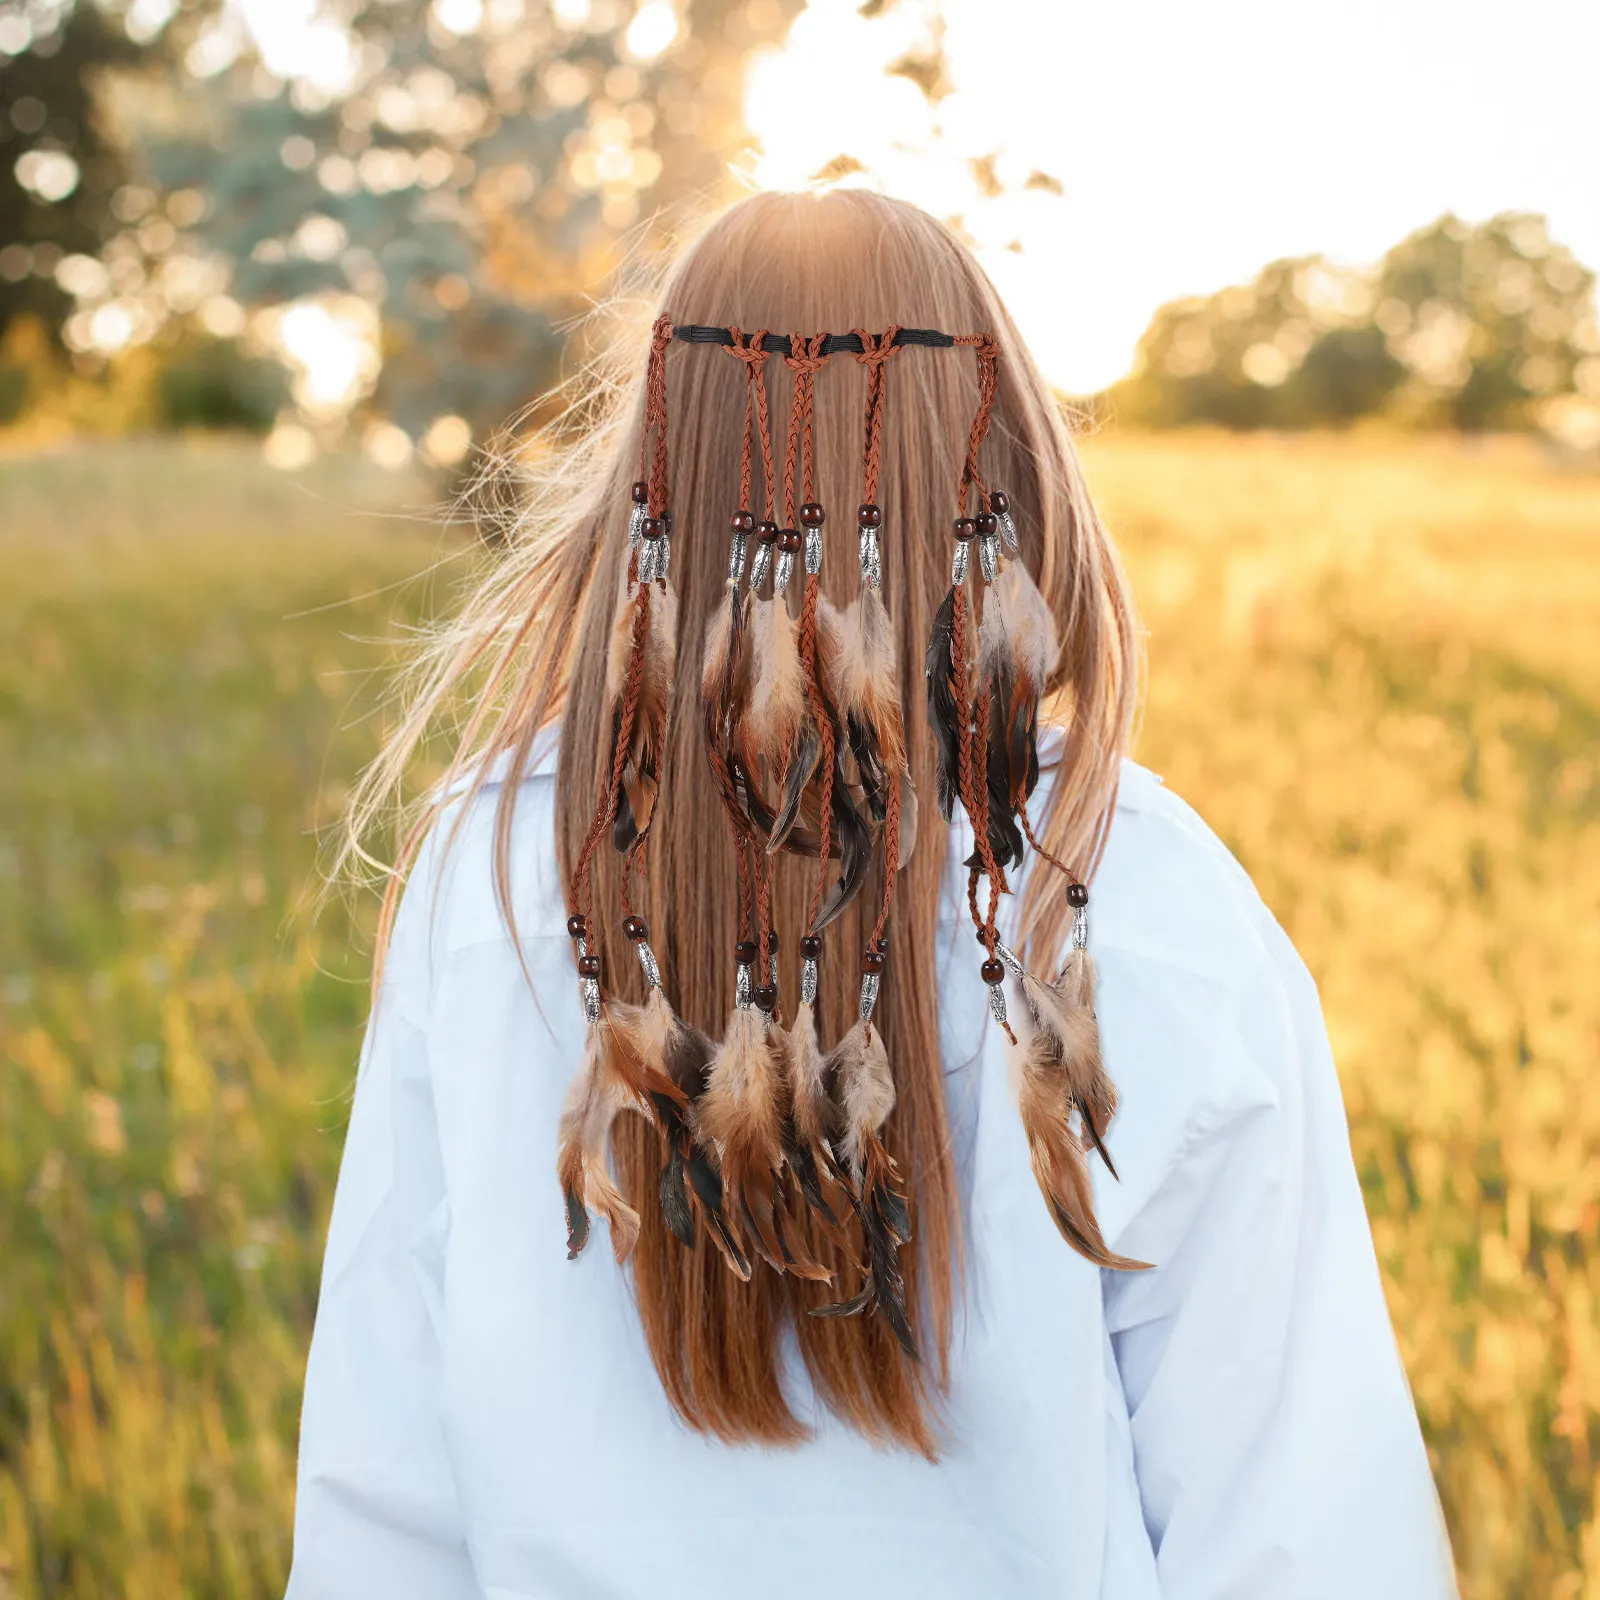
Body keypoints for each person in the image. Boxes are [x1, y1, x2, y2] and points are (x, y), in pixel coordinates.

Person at [285, 189, 1457, 1599]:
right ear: (1005, 460)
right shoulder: (1142, 900)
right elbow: (1306, 1532)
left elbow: (384, 1505)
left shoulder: (491, 888)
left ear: (659, 471)